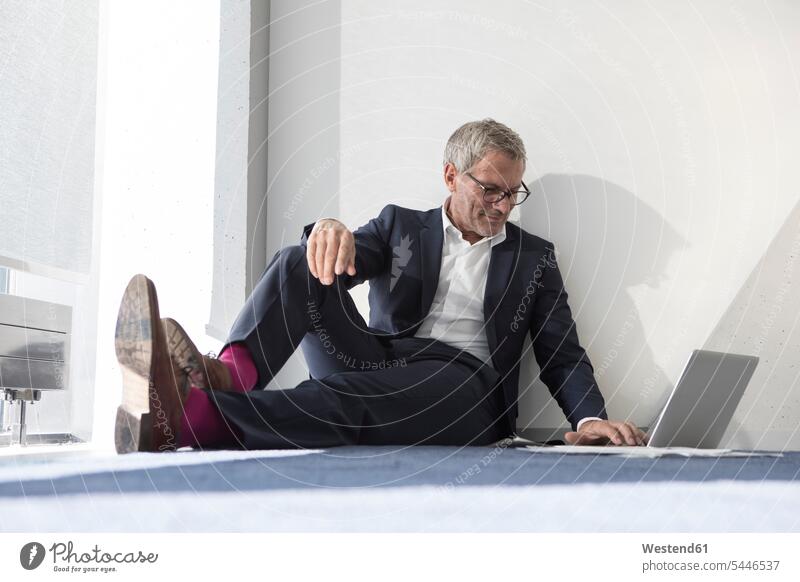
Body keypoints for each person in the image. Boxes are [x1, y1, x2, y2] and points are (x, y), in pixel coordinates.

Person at [113, 118, 647, 454]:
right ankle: (231, 375)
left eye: (513, 193)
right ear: (450, 176)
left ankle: (188, 417)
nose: (503, 206)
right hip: (375, 356)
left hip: (463, 384)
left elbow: (562, 353)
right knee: (299, 260)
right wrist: (328, 231)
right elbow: (341, 263)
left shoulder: (533, 258)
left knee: (343, 399)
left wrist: (591, 419)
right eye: (490, 189)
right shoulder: (400, 226)